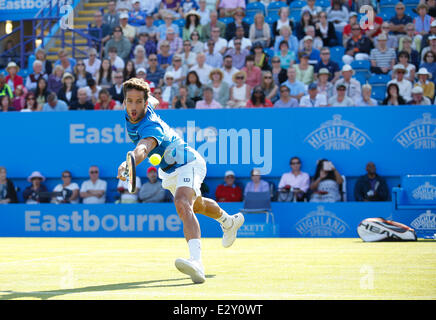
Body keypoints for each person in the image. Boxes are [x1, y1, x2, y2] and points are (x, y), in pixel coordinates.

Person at [117, 77, 245, 284]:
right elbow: (153, 101)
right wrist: (147, 98)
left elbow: (143, 148)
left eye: (139, 102)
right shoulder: (135, 110)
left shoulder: (150, 127)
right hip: (168, 172)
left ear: (145, 103)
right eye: (129, 101)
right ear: (124, 102)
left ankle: (196, 262)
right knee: (198, 205)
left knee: (182, 202)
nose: (133, 106)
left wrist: (129, 162)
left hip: (189, 162)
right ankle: (229, 221)